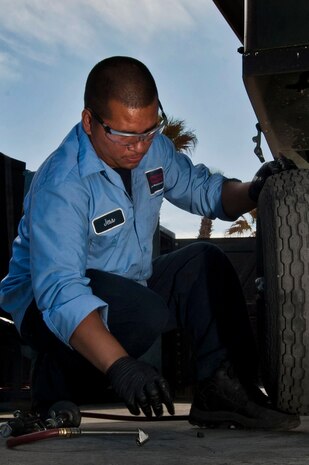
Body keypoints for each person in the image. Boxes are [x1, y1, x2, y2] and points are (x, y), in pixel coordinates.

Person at [0, 56, 299, 430]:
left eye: (148, 131)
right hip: (41, 302)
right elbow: (61, 291)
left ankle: (221, 390)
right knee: (144, 313)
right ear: (89, 121)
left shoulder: (151, 149)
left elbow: (204, 191)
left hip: (126, 283)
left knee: (205, 262)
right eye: (125, 135)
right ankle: (53, 379)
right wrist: (121, 367)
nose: (139, 148)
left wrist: (254, 189)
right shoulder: (62, 184)